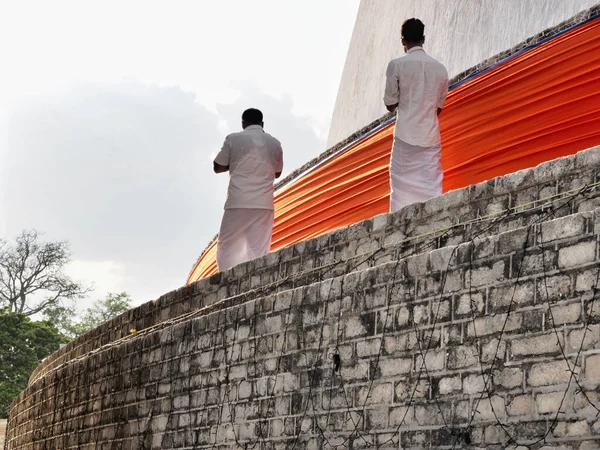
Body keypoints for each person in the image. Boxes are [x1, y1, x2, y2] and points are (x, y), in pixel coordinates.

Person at [383, 18, 449, 212]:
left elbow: (390, 104)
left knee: (400, 194)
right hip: (430, 137)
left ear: (403, 41)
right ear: (424, 39)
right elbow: (438, 107)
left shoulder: (396, 65)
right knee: (432, 189)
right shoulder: (441, 69)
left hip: (405, 137)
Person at [213, 108, 283, 272]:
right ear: (262, 124)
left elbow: (217, 166)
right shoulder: (275, 143)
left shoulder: (233, 139)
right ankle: (255, 279)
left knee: (227, 247)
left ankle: (226, 282)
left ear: (243, 124)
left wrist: (236, 161)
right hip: (264, 204)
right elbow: (277, 172)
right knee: (258, 249)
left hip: (238, 201)